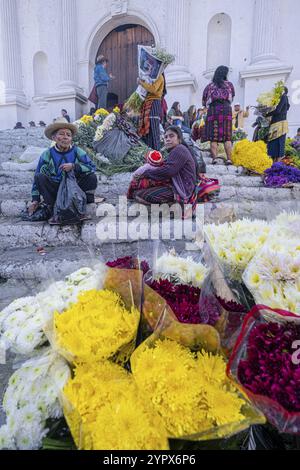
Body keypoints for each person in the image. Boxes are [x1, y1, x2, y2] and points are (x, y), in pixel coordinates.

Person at [27, 118, 98, 225]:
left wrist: (74, 166)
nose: (65, 137)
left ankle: (83, 203)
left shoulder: (77, 151)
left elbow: (92, 166)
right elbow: (38, 175)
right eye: (61, 134)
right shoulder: (47, 154)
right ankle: (52, 207)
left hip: (74, 188)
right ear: (54, 138)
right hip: (56, 188)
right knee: (39, 177)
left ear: (71, 139)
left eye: (68, 135)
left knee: (92, 177)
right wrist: (35, 199)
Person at [131, 126, 218, 209]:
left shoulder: (179, 149)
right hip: (181, 187)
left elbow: (168, 171)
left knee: (140, 195)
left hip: (183, 190)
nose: (168, 139)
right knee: (138, 194)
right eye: (165, 137)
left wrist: (146, 173)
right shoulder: (177, 150)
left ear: (179, 139)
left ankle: (174, 205)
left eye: (171, 136)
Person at [202, 65, 235, 164]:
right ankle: (229, 159)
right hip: (226, 110)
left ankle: (215, 158)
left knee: (213, 137)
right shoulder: (230, 85)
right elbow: (232, 97)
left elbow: (204, 101)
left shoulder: (209, 86)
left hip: (213, 111)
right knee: (227, 137)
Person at [138, 73, 165, 150]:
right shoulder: (152, 77)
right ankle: (149, 153)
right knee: (148, 131)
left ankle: (156, 153)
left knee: (153, 129)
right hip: (148, 102)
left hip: (154, 103)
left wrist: (142, 83)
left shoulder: (159, 77)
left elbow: (153, 89)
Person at [266, 87, 290, 161]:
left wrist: (267, 114)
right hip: (277, 124)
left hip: (279, 125)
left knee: (278, 145)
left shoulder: (284, 96)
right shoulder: (282, 98)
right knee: (274, 145)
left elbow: (278, 110)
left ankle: (277, 166)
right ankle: (274, 166)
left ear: (283, 91)